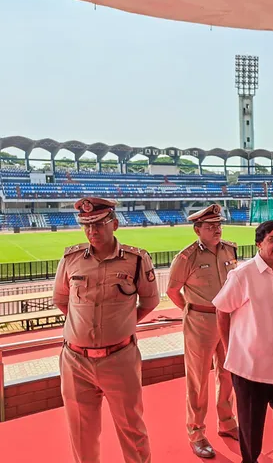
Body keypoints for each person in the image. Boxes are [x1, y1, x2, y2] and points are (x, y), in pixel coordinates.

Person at [52, 197, 159, 463]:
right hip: (75, 361)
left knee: (132, 430)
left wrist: (121, 324)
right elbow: (61, 300)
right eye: (86, 225)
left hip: (119, 358)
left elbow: (150, 301)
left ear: (115, 223)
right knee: (81, 434)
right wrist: (83, 326)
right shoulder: (71, 258)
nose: (92, 231)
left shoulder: (136, 259)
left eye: (99, 224)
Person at [212, 220, 273, 463]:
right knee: (250, 434)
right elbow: (222, 311)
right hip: (249, 369)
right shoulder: (242, 276)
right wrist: (229, 349)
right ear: (259, 243)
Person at [166, 203, 239, 459]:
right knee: (198, 380)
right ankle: (196, 433)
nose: (216, 230)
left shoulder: (230, 249)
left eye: (218, 225)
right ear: (198, 230)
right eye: (210, 226)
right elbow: (173, 291)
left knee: (228, 373)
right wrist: (191, 310)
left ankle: (227, 422)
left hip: (228, 319)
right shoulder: (187, 258)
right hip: (200, 321)